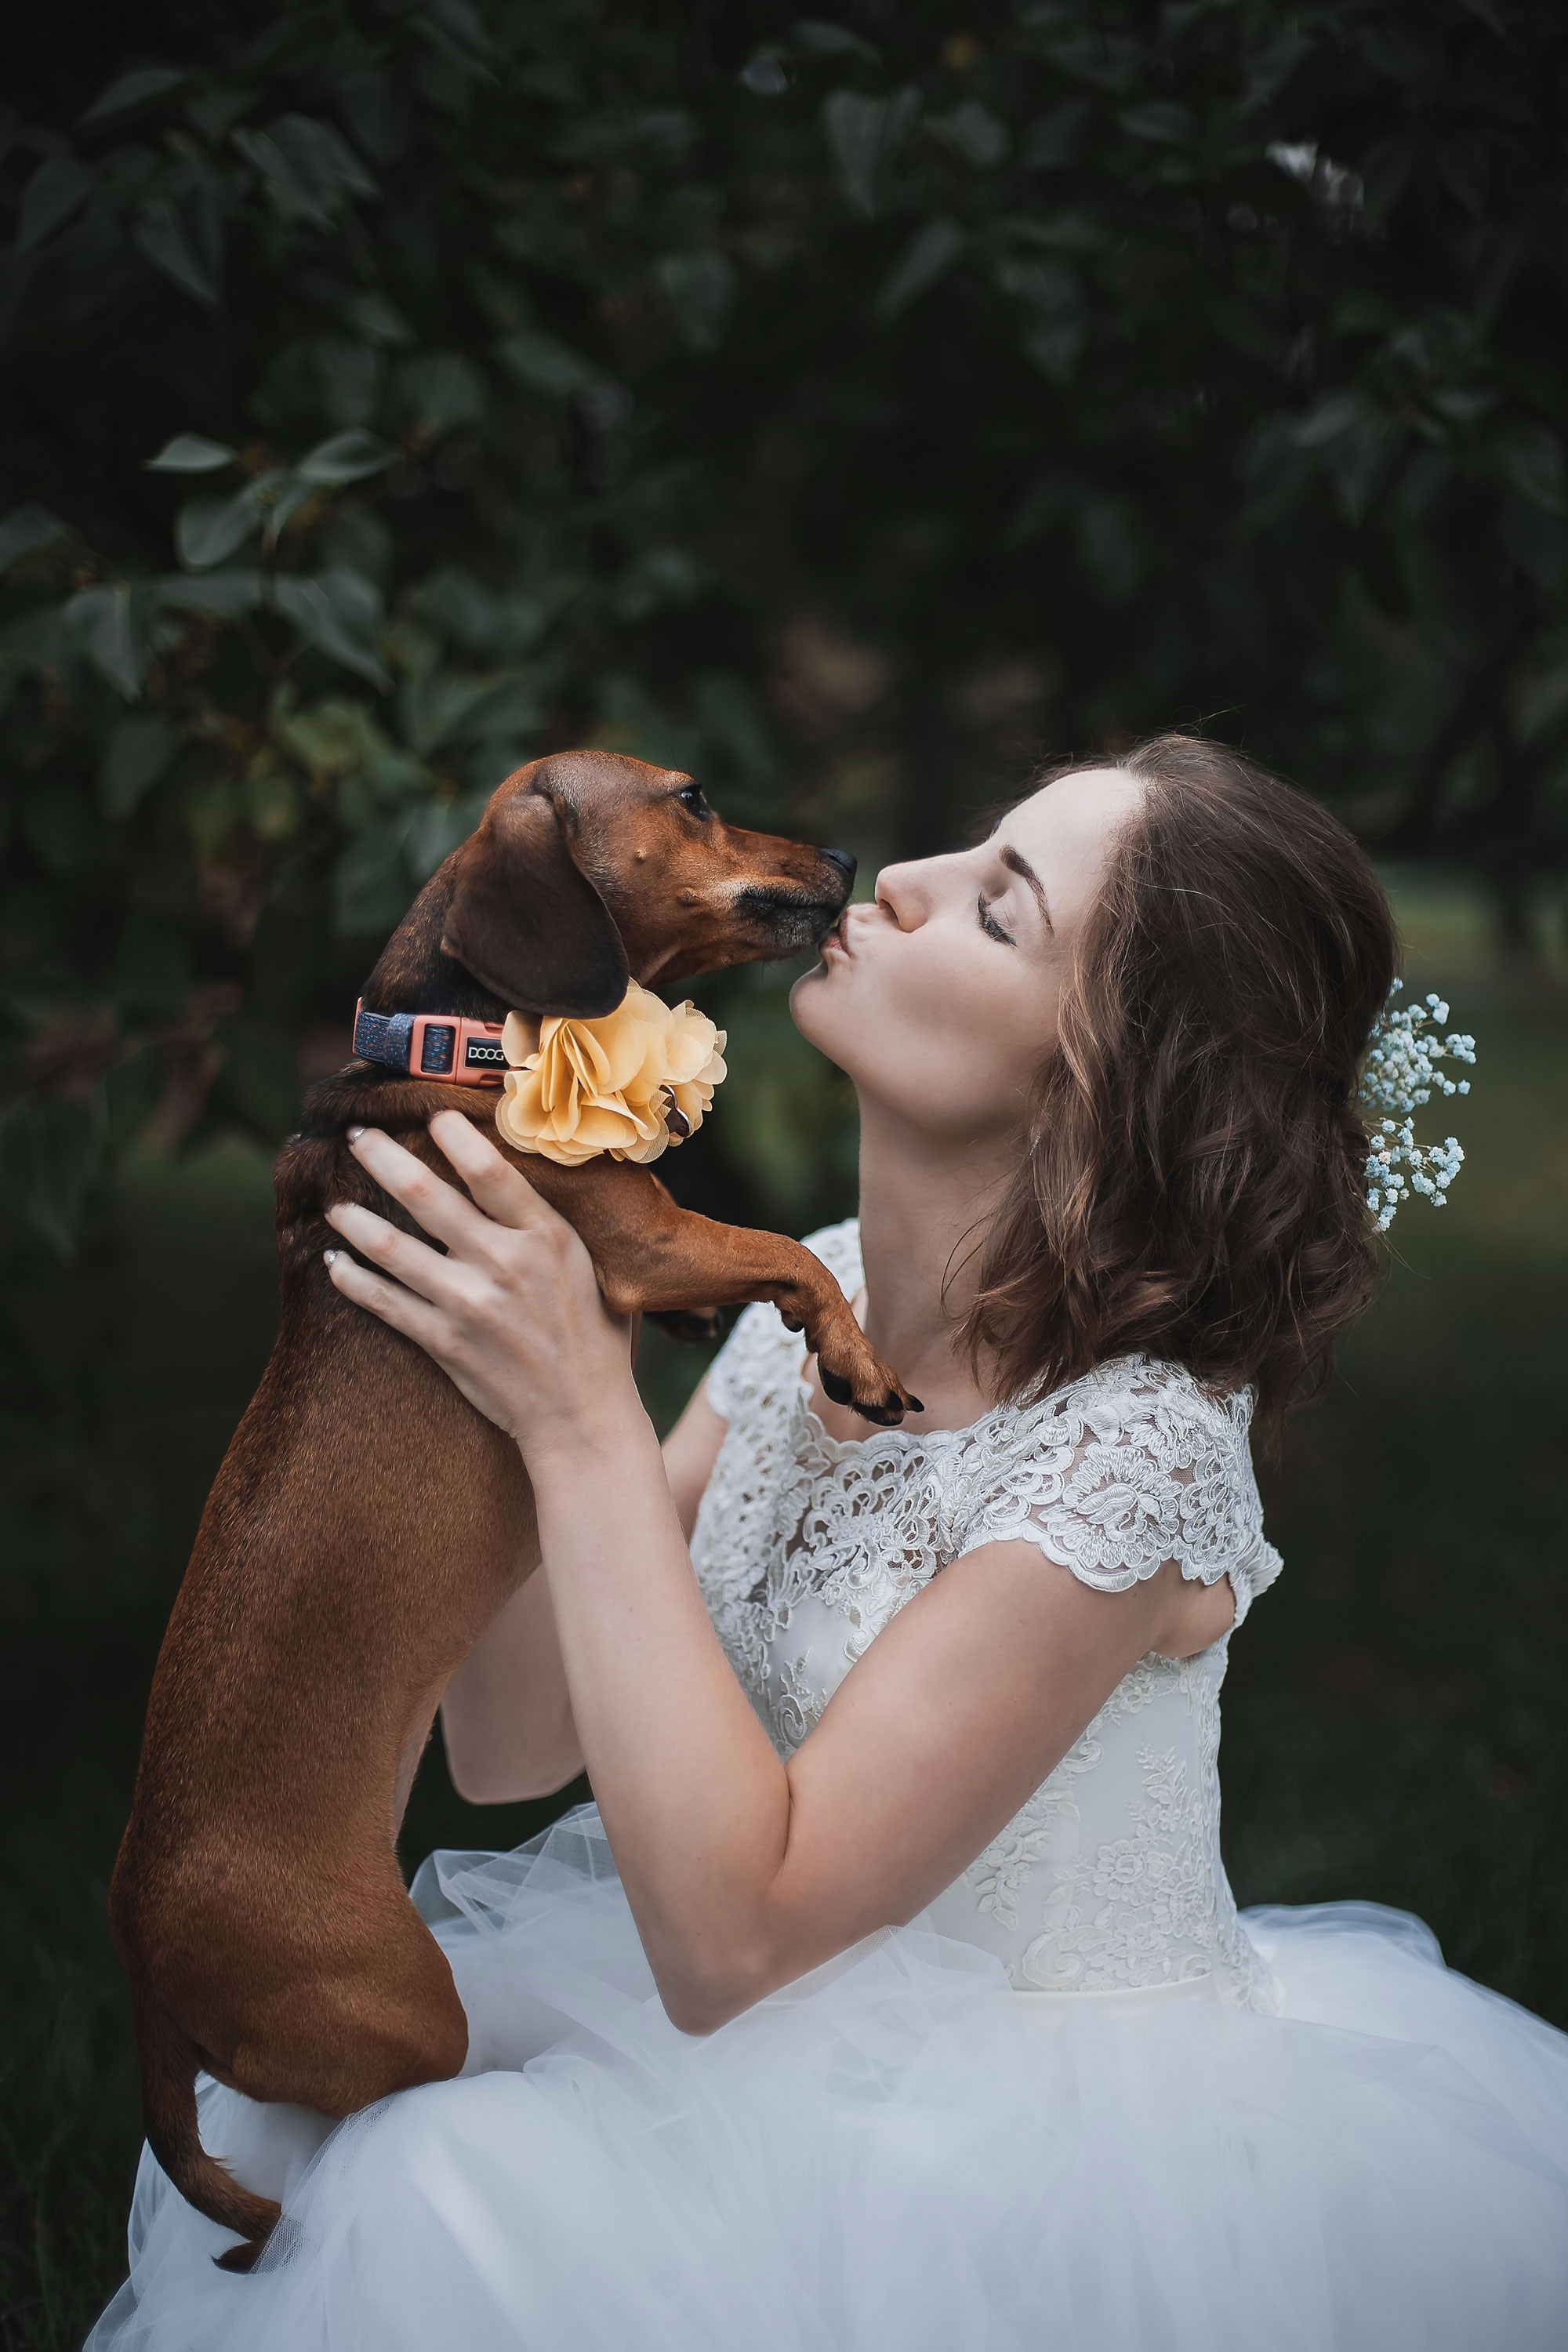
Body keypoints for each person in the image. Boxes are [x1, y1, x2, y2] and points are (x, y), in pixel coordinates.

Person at [90, 734, 1568, 2352]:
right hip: (729, 2060)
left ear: (1105, 1077)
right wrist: (504, 1361)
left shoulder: (1129, 1456)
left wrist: (582, 1417)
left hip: (1019, 2163)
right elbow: (513, 1749)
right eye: (967, 849)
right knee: (364, 2134)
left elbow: (736, 1944)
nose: (905, 880)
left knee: (451, 2198)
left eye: (999, 910)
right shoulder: (814, 1294)